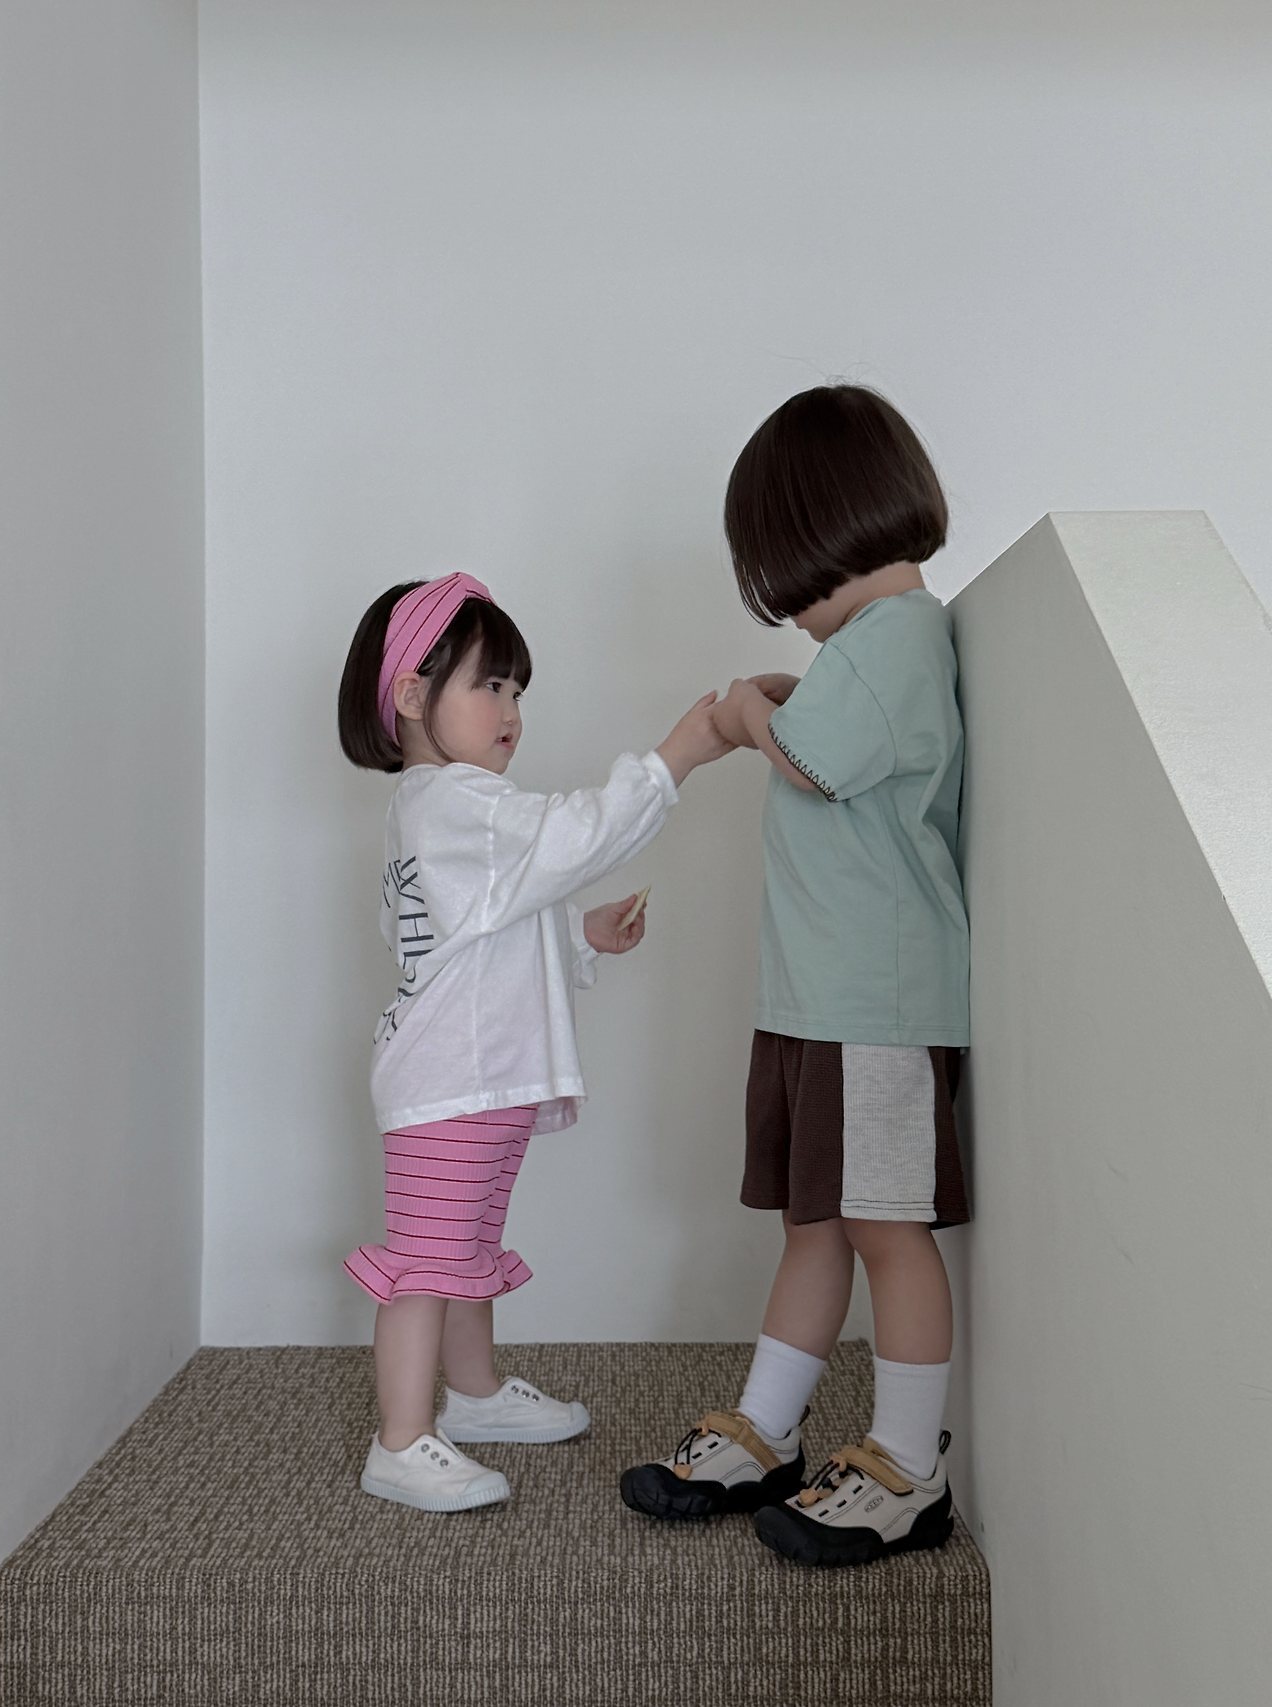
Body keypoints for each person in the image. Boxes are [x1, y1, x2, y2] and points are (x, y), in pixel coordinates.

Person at [620, 386, 971, 1568]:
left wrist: (738, 712)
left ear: (813, 532)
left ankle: (908, 1466)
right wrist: (775, 702)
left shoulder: (897, 636)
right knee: (813, 1221)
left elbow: (818, 765)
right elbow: (827, 741)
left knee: (881, 1227)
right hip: (822, 1003)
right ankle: (766, 1430)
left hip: (871, 1007)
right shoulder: (865, 652)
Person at [337, 572, 730, 1512]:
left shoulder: (434, 808)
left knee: (464, 1252)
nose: (511, 709)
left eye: (517, 689)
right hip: (451, 1084)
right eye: (489, 684)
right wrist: (675, 757)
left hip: (470, 1081)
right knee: (426, 1266)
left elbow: (478, 938)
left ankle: (473, 1396)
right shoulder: (460, 800)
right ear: (411, 695)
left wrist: (580, 936)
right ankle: (399, 1440)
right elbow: (574, 836)